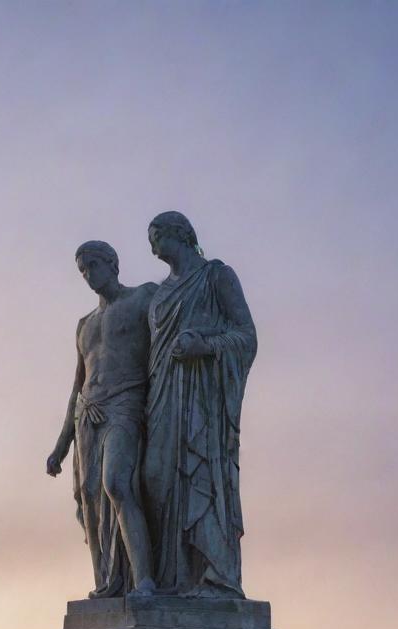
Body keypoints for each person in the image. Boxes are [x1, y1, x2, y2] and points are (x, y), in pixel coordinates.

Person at [143, 211, 257, 597]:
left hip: (201, 399)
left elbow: (246, 335)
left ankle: (213, 577)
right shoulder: (159, 293)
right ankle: (171, 578)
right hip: (161, 397)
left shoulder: (216, 276)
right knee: (156, 478)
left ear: (180, 234)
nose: (152, 245)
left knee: (200, 478)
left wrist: (205, 347)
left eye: (156, 235)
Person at [47, 240, 158, 598]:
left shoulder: (143, 298)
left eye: (93, 266)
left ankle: (144, 580)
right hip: (88, 414)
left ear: (113, 264)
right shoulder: (85, 324)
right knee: (92, 500)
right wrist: (61, 445)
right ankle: (109, 583)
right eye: (82, 270)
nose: (88, 275)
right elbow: (76, 386)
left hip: (125, 402)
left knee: (117, 484)